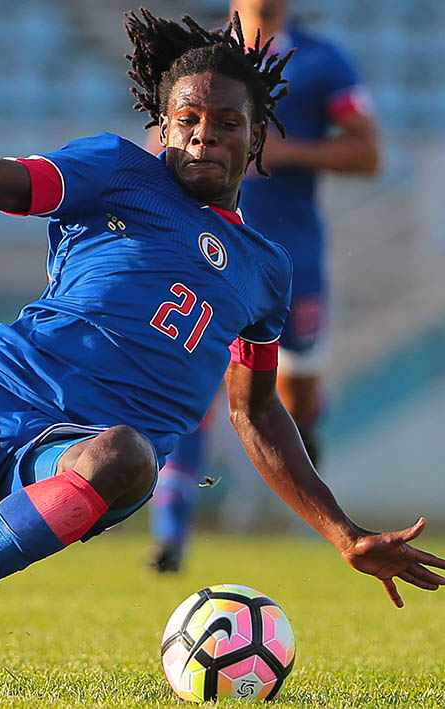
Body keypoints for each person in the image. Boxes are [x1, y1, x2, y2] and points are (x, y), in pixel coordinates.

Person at [0, 9, 445, 649]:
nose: (203, 137)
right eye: (187, 120)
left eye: (227, 124)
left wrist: (344, 532)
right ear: (163, 125)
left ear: (257, 139)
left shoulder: (265, 269)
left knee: (127, 455)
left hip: (79, 452)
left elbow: (254, 409)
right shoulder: (112, 170)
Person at [147, 0, 381, 572]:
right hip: (207, 247)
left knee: (292, 398)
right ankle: (171, 534)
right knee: (196, 387)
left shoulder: (323, 61)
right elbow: (162, 136)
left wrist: (281, 150)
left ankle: (304, 447)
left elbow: (368, 152)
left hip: (290, 257)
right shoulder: (200, 57)